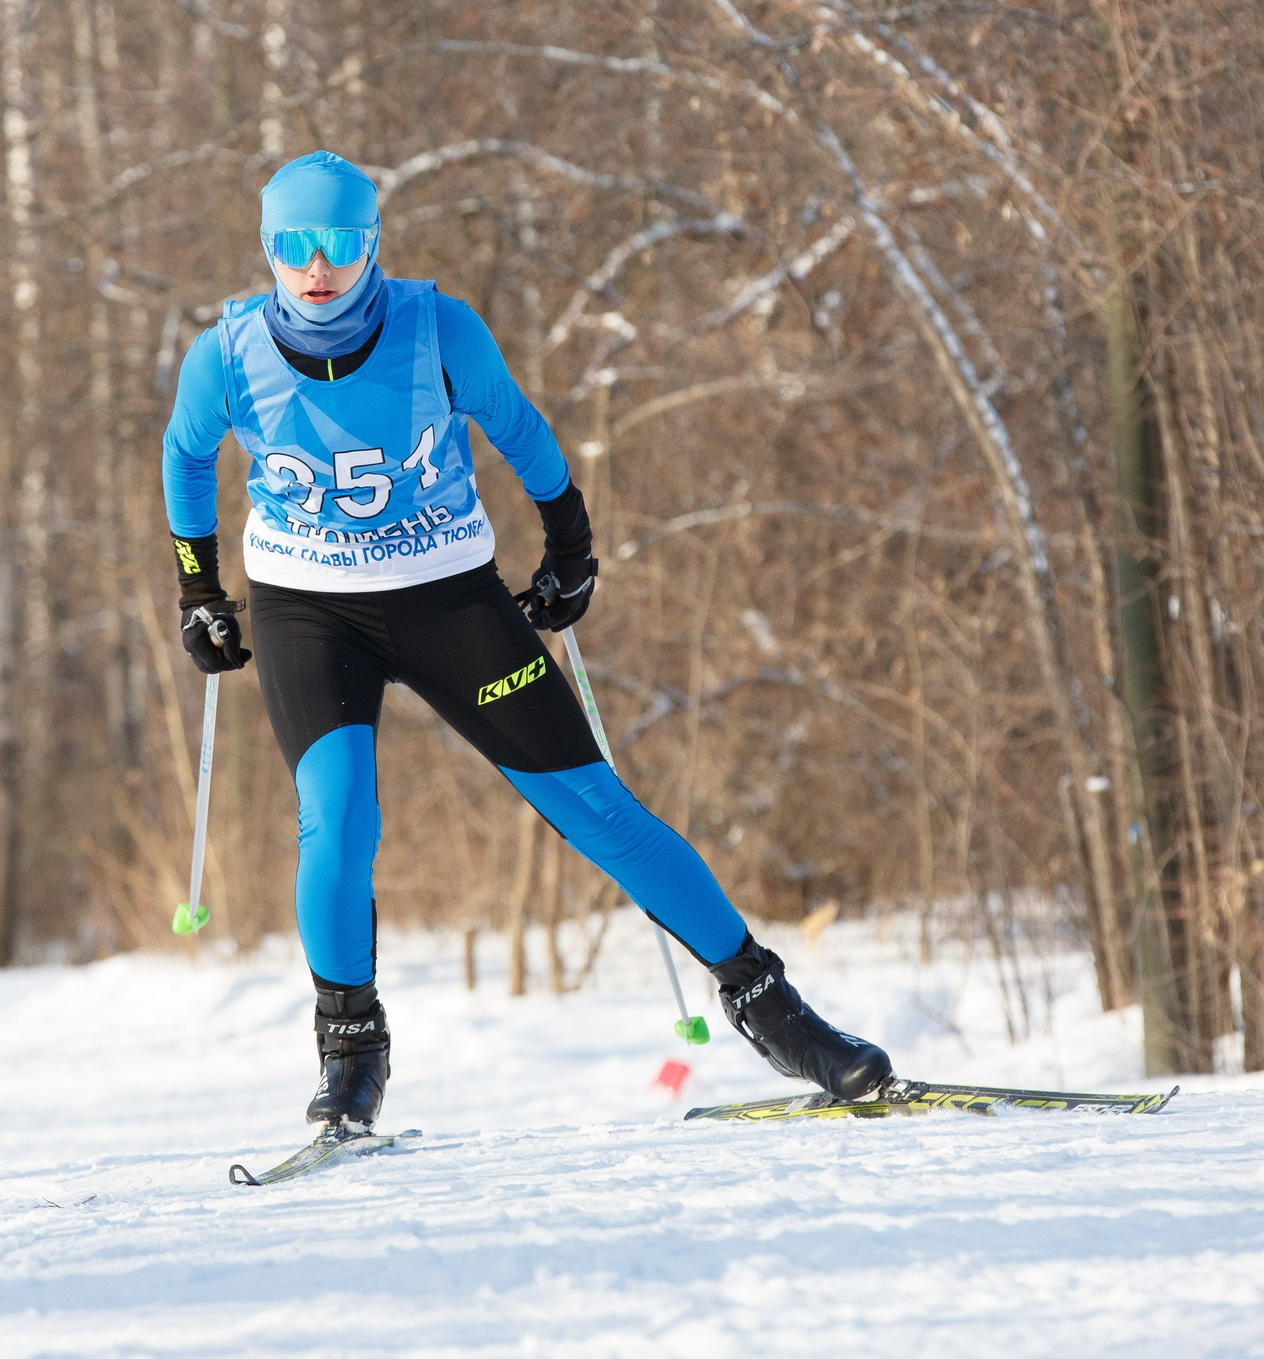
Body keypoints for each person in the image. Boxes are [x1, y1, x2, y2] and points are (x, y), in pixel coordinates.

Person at [160, 150, 893, 1135]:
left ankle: (774, 1010)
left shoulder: (437, 329)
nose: (317, 266)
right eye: (294, 245)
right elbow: (185, 452)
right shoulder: (226, 353)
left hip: (446, 594)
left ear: (371, 244)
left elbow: (516, 426)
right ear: (268, 252)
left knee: (593, 803)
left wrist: (571, 546)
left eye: (338, 242)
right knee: (337, 820)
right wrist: (198, 587)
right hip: (308, 607)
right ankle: (351, 1053)